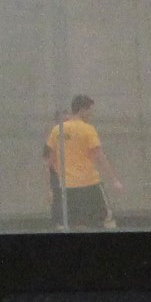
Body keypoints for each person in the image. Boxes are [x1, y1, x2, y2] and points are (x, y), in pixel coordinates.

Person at [45, 97, 111, 228]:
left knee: (73, 223)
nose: (91, 115)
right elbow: (99, 156)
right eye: (90, 111)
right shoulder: (88, 129)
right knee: (100, 221)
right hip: (89, 184)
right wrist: (114, 179)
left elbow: (50, 162)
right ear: (82, 110)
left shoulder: (57, 130)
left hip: (68, 186)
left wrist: (51, 187)